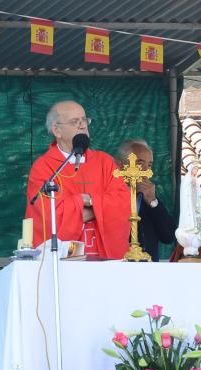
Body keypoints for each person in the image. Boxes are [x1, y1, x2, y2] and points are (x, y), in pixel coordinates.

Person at [25, 101, 130, 259]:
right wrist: (99, 207)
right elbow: (49, 218)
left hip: (105, 261)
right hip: (63, 262)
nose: (82, 126)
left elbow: (123, 203)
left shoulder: (105, 162)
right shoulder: (44, 167)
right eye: (75, 122)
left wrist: (88, 200)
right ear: (57, 130)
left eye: (84, 120)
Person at [115, 138, 177, 262]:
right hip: (117, 265)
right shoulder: (109, 197)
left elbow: (168, 236)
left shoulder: (150, 198)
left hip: (148, 269)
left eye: (149, 165)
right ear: (121, 165)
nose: (145, 170)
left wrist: (153, 202)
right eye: (139, 163)